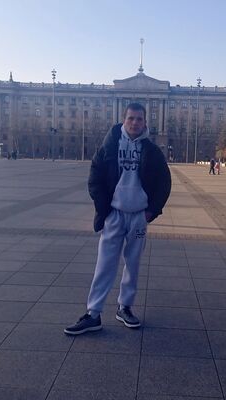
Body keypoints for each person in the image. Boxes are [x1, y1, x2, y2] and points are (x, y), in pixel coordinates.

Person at [64, 103, 171, 336]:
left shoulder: (152, 150)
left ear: (145, 122)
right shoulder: (110, 144)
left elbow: (164, 182)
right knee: (105, 264)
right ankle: (93, 314)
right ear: (124, 120)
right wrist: (104, 208)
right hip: (114, 214)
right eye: (131, 118)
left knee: (133, 264)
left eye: (139, 119)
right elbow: (95, 177)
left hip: (139, 216)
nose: (135, 123)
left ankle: (125, 307)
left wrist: (151, 211)